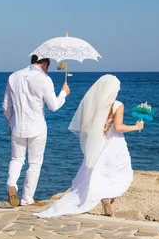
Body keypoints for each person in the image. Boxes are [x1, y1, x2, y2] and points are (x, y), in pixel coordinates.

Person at [34, 74, 143, 218]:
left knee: (96, 173)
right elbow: (118, 127)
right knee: (119, 173)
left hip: (98, 143)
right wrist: (136, 127)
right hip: (115, 145)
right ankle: (108, 199)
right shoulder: (117, 105)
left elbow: (86, 126)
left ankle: (105, 199)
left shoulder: (94, 105)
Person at [2, 55, 70, 207]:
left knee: (16, 159)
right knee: (34, 164)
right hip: (37, 127)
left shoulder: (13, 76)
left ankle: (11, 185)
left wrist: (10, 122)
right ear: (45, 63)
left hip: (17, 125)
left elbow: (6, 106)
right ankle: (27, 199)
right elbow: (53, 106)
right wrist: (64, 92)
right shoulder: (44, 79)